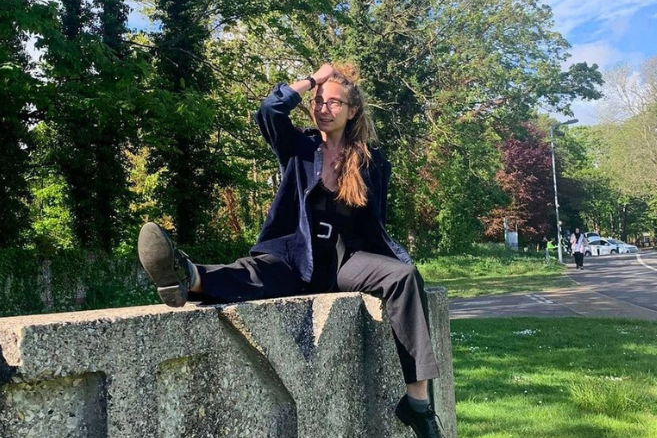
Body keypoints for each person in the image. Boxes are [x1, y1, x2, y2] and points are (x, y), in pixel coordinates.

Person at [137, 63, 443, 438]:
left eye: (334, 102)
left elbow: (373, 225)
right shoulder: (299, 146)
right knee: (252, 272)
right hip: (293, 257)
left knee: (405, 277)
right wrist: (312, 78)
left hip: (345, 263)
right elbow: (269, 111)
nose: (323, 108)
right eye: (318, 101)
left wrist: (388, 263)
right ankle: (187, 275)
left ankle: (418, 404)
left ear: (353, 110)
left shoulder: (372, 162)